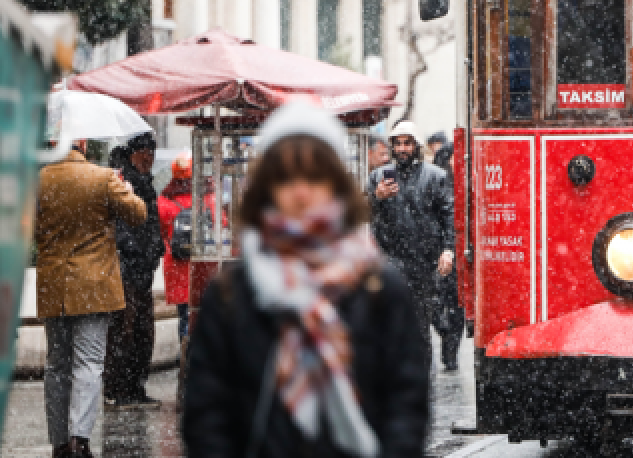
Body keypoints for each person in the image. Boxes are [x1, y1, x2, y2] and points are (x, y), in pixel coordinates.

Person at [183, 102, 429, 457]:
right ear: (267, 186)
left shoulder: (377, 286)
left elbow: (405, 403)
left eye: (315, 177)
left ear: (336, 184)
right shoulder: (233, 292)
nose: (301, 192)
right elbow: (208, 412)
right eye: (286, 178)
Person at [36, 138, 148, 458]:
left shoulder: (39, 180)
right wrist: (126, 188)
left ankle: (59, 443)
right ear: (82, 144)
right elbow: (138, 214)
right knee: (89, 362)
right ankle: (80, 440)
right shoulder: (103, 178)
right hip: (93, 286)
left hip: (54, 285)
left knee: (57, 365)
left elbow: (27, 229)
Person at [367, 121, 455, 369]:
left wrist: (448, 250)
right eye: (398, 144)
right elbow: (361, 214)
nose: (402, 149)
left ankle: (421, 379)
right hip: (388, 262)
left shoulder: (436, 176)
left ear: (416, 146)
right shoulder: (377, 177)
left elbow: (449, 217)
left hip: (424, 264)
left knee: (420, 327)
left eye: (407, 143)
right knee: (389, 326)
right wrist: (377, 197)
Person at [104, 133, 167, 410]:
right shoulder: (121, 181)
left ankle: (136, 387)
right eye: (144, 152)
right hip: (126, 272)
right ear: (132, 153)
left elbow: (151, 224)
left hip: (142, 272)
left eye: (151, 152)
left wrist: (155, 250)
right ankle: (118, 390)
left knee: (143, 332)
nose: (149, 158)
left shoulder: (145, 183)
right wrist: (137, 252)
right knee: (124, 332)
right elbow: (120, 227)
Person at [425, 130, 466, 371]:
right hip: (436, 249)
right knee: (435, 303)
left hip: (458, 252)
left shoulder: (465, 183)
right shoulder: (439, 183)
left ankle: (451, 353)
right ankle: (446, 335)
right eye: (453, 158)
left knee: (456, 305)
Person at [156, 152, 196, 342]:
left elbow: (160, 232)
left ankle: (185, 351)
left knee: (184, 314)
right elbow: (220, 223)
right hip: (200, 264)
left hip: (177, 264)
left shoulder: (163, 201)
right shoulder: (206, 197)